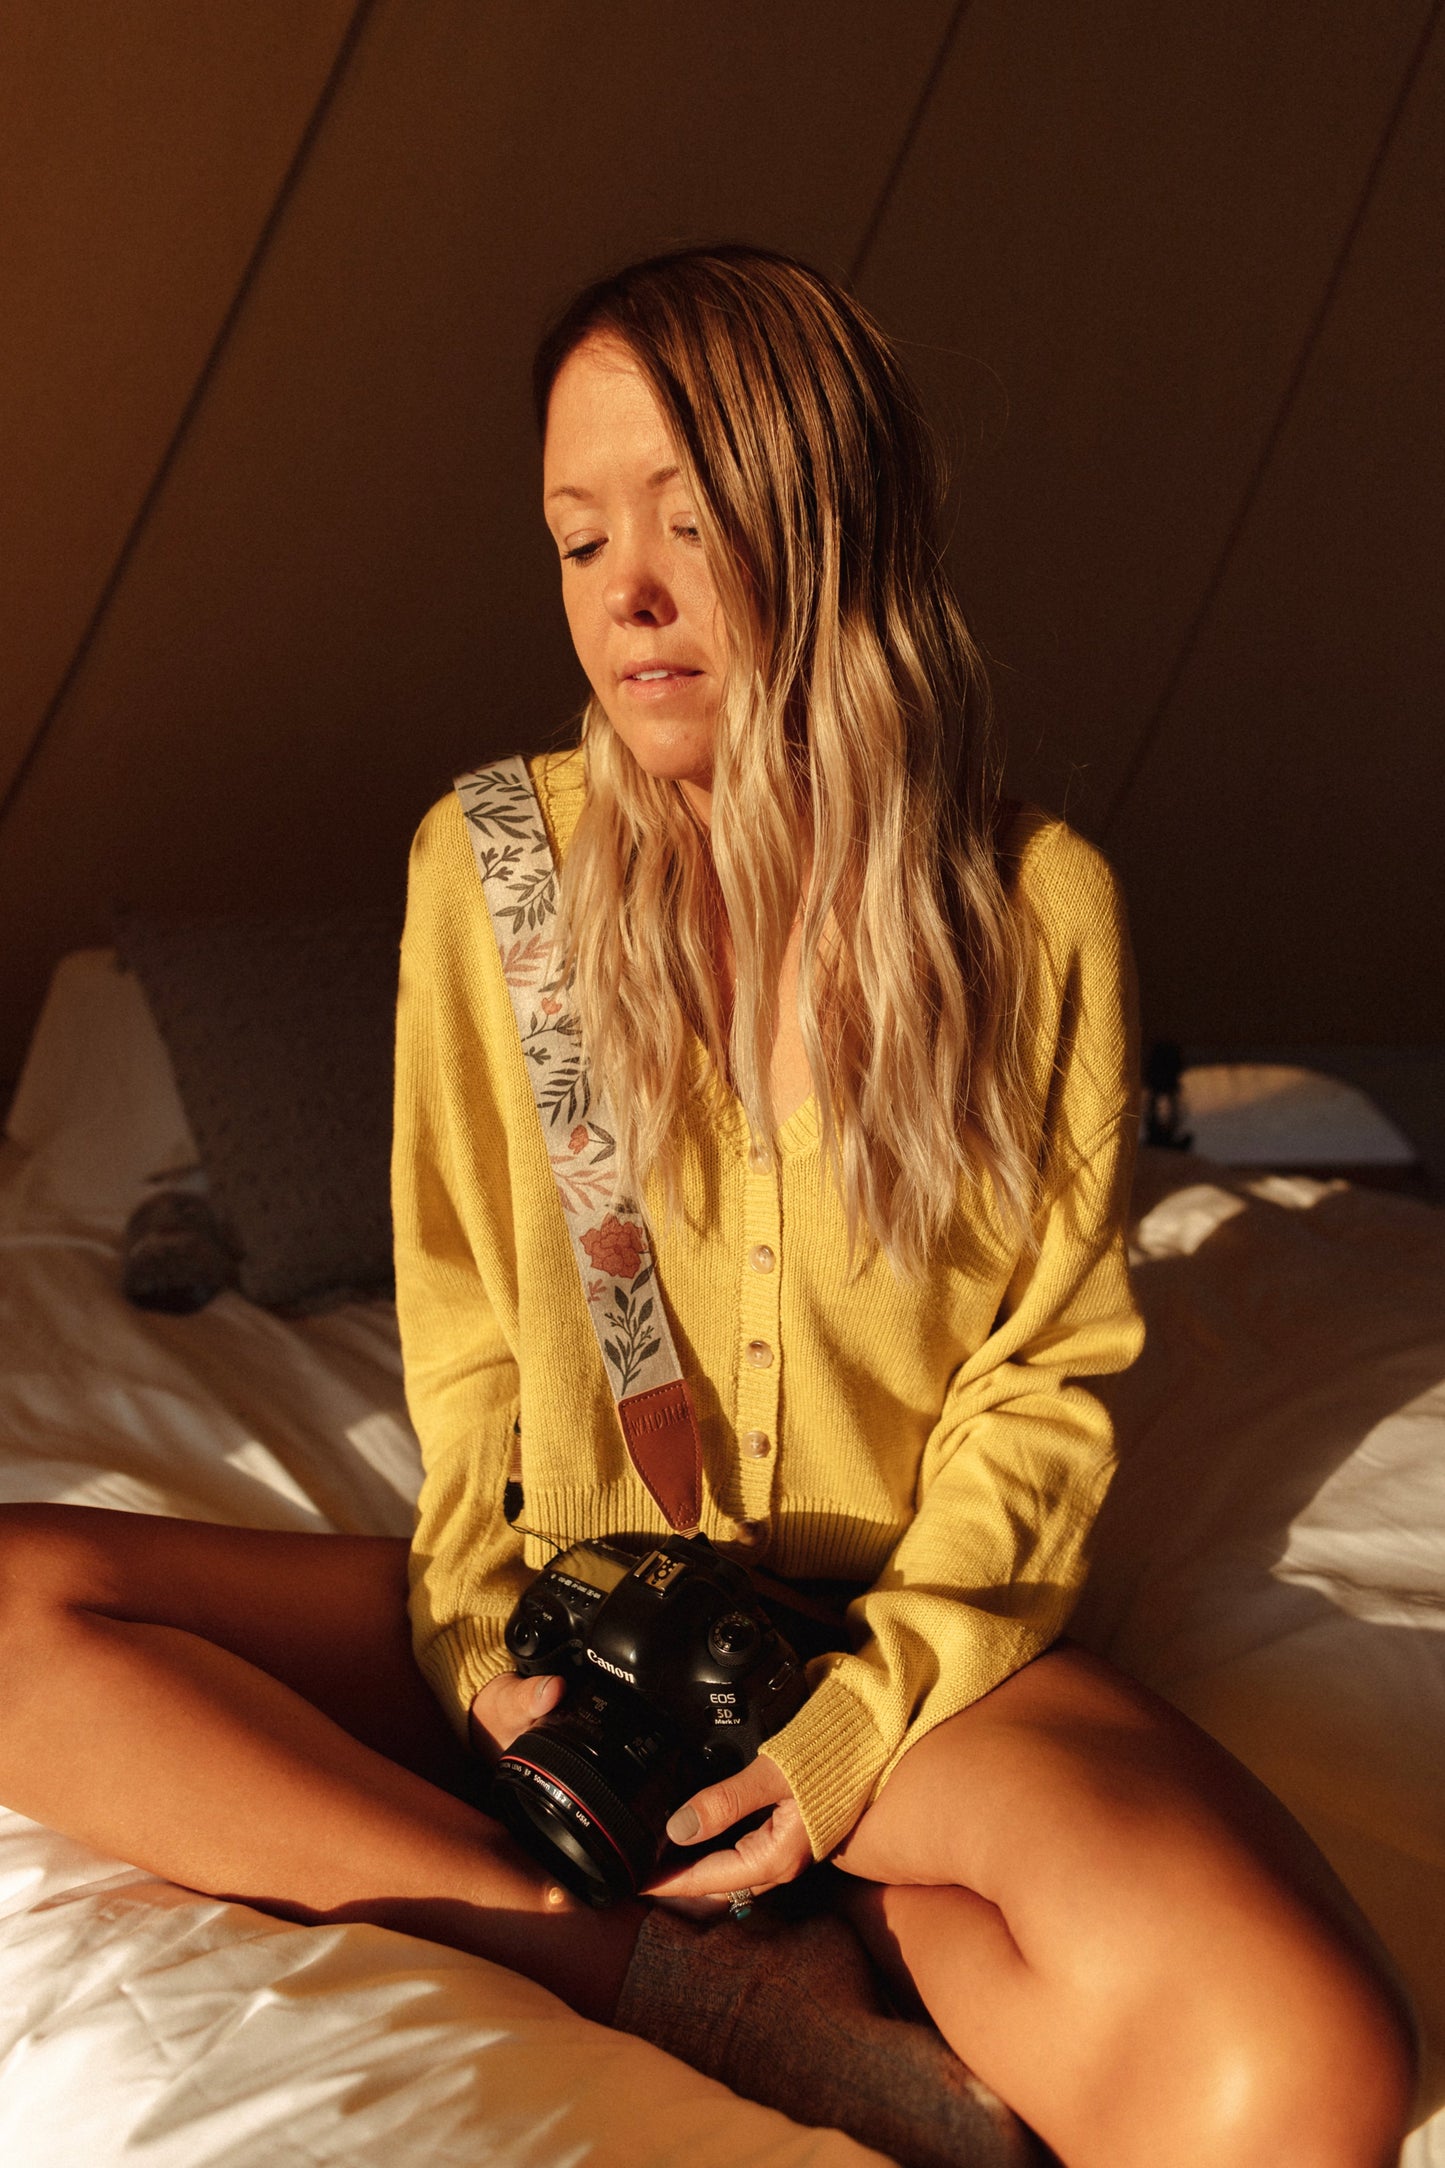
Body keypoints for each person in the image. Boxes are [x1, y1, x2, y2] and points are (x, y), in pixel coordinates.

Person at [0, 247, 1414, 2168]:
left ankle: (822, 1894)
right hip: (572, 1619)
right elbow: (476, 1344)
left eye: (688, 519)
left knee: (1304, 2073)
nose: (629, 598)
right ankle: (663, 1976)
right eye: (580, 539)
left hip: (872, 1661)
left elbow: (1038, 1384)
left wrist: (849, 1739)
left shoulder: (1028, 903)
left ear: (829, 525)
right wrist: (479, 1645)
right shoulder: (488, 867)